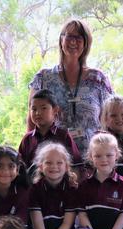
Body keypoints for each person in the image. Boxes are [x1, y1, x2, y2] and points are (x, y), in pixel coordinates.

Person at [28, 18, 113, 154]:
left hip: (94, 160)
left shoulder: (98, 79)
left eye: (79, 37)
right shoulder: (43, 78)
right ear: (61, 40)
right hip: (53, 162)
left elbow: (111, 118)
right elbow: (32, 121)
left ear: (86, 43)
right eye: (69, 36)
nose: (73, 41)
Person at [18, 89, 82, 175]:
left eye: (43, 108)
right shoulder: (27, 139)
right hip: (33, 186)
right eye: (34, 109)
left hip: (61, 185)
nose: (38, 113)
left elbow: (76, 165)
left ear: (55, 110)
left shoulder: (63, 136)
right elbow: (20, 167)